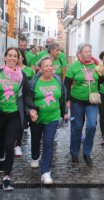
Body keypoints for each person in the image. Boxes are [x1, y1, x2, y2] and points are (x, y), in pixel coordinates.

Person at [0, 47, 37, 190]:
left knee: (10, 144)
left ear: (18, 59)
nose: (12, 58)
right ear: (5, 57)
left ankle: (7, 178)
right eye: (10, 55)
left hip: (15, 114)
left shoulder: (22, 76)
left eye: (15, 56)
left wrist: (32, 109)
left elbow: (27, 95)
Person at [65, 42, 104, 166]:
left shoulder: (97, 65)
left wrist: (102, 73)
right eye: (85, 51)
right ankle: (74, 152)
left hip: (92, 101)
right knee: (77, 127)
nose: (88, 54)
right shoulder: (73, 67)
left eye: (90, 51)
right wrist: (67, 100)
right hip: (77, 101)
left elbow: (101, 81)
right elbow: (66, 84)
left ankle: (87, 153)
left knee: (92, 126)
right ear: (80, 54)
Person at [29, 56, 68, 184]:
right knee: (35, 139)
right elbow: (28, 99)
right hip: (37, 118)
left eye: (51, 65)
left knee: (48, 142)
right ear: (40, 68)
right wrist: (31, 110)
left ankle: (45, 172)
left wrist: (64, 113)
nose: (49, 68)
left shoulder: (57, 80)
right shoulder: (34, 82)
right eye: (46, 66)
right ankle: (35, 156)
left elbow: (62, 97)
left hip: (53, 117)